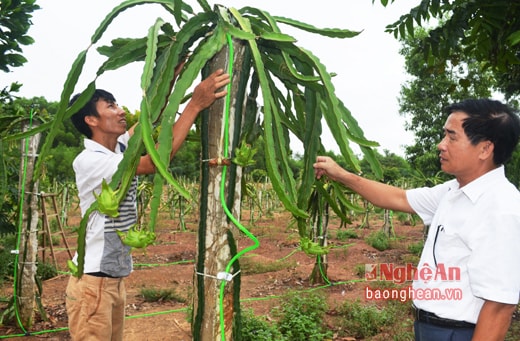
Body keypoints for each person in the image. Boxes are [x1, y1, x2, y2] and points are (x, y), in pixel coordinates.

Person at [313, 98, 520, 341]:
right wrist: (342, 175)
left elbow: (499, 306)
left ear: (485, 149)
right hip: (431, 327)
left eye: (452, 137)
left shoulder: (501, 207)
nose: (441, 145)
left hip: (459, 333)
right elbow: (399, 198)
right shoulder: (452, 192)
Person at [65, 68, 230, 340]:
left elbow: (149, 118)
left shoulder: (117, 146)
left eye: (117, 103)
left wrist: (173, 76)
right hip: (94, 282)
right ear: (91, 119)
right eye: (110, 106)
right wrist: (195, 104)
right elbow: (155, 162)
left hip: (111, 279)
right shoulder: (93, 160)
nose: (120, 110)